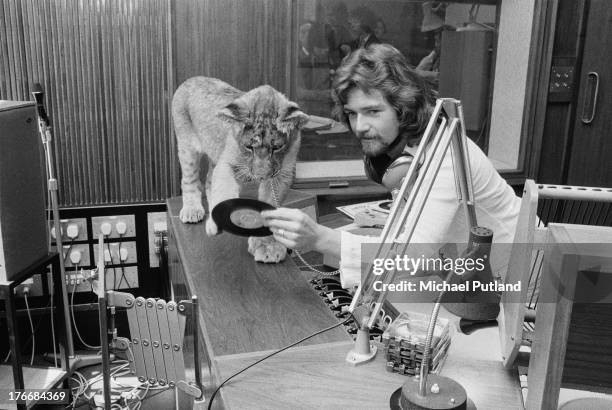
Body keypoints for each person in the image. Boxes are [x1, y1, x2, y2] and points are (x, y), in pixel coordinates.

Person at [261, 43, 521, 288]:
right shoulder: (403, 150)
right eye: (352, 113)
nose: (360, 126)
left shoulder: (446, 154)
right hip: (465, 271)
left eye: (373, 111)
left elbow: (415, 253)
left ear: (403, 108)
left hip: (516, 278)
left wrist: (321, 238)